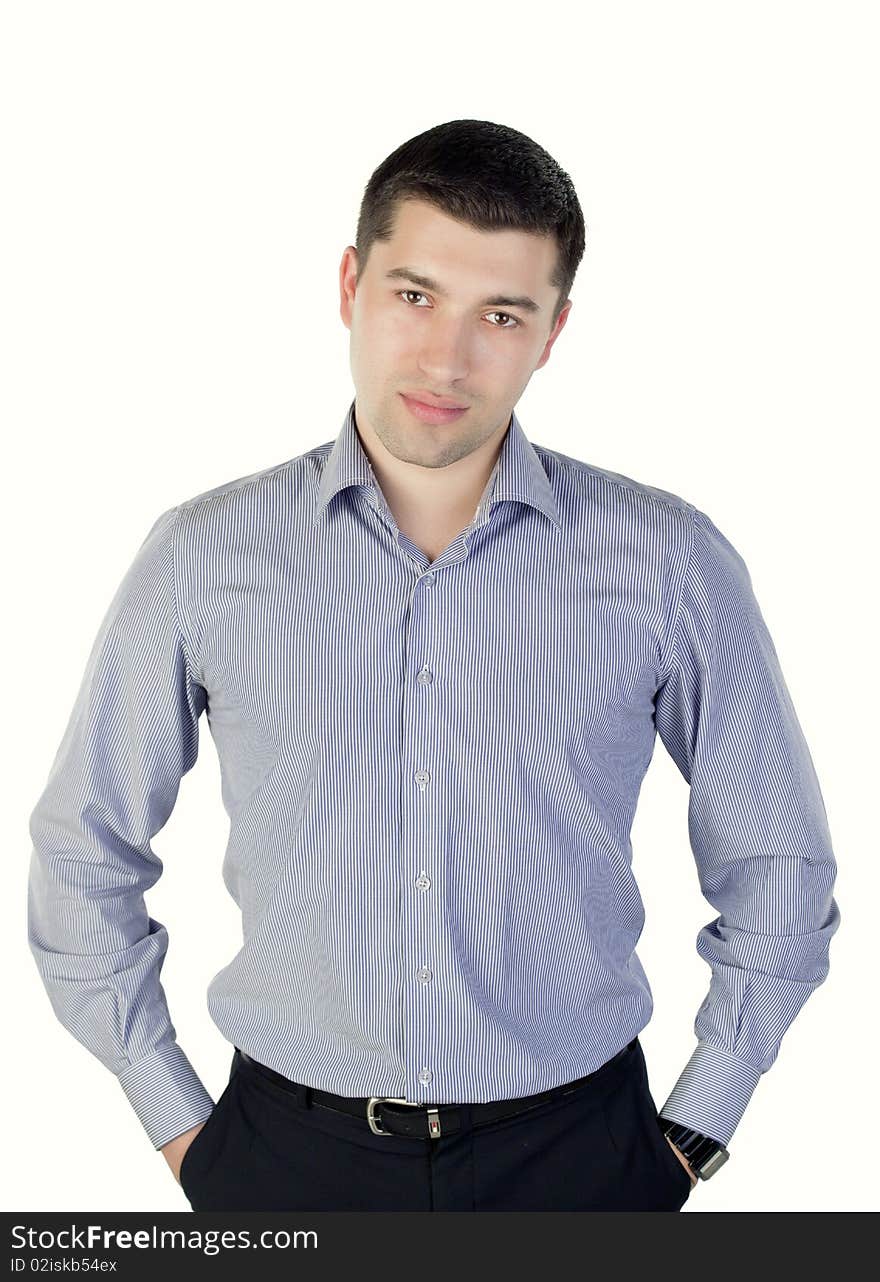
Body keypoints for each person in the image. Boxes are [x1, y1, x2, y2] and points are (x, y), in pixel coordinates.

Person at [27, 118, 840, 1212]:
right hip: (281, 1157)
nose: (447, 359)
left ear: (551, 332)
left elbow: (779, 857)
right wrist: (178, 1120)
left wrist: (697, 1125)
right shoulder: (201, 557)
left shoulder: (670, 562)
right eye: (415, 296)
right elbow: (83, 850)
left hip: (582, 1156)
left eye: (500, 314)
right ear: (352, 284)